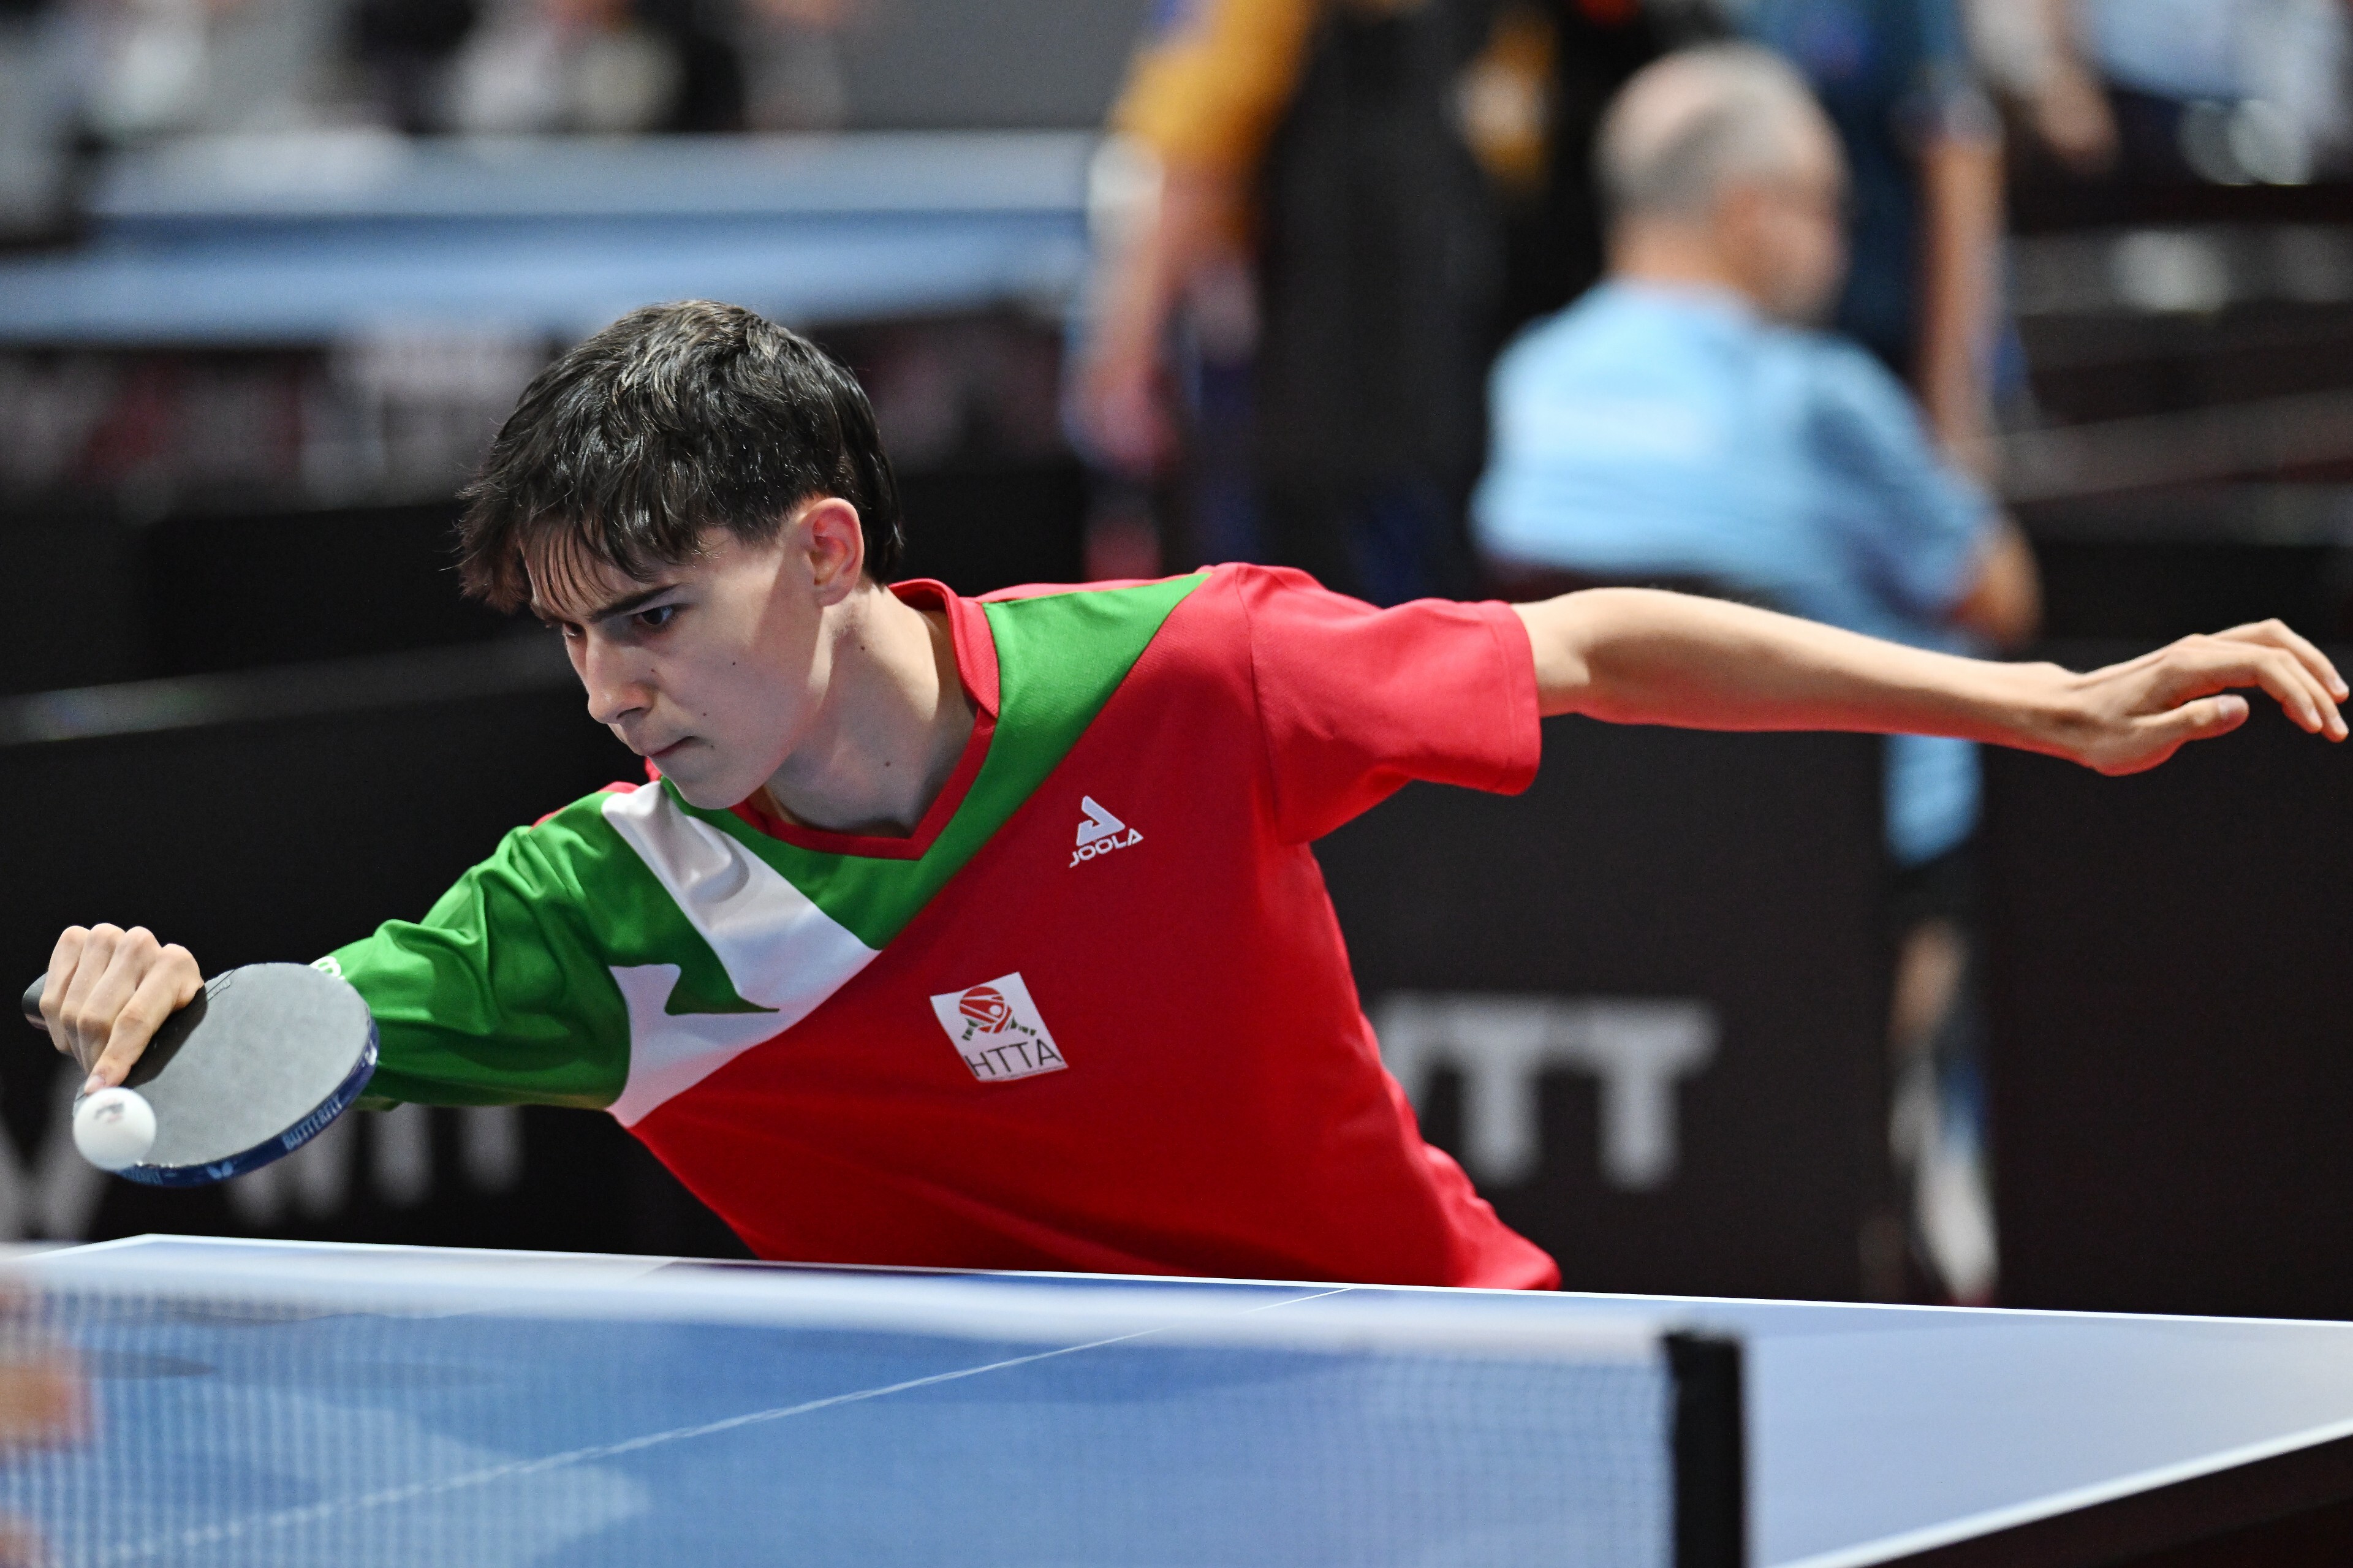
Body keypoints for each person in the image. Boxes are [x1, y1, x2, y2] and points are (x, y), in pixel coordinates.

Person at [31, 300, 2346, 1291]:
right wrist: (151, 1003)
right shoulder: (593, 916)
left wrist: (2035, 701)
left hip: (1432, 1382)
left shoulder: (1182, 676)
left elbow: (1591, 649)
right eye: (570, 635)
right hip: (994, 1482)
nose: (610, 687)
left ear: (823, 550)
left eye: (651, 611)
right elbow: (280, 1036)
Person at [1472, 44, 2034, 1297]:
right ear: (1748, 212)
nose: (1844, 239)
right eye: (1830, 206)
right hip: (1857, 865)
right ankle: (1932, 1176)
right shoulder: (1821, 399)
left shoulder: (1529, 380)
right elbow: (2000, 591)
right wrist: (1955, 414)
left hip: (1618, 856)